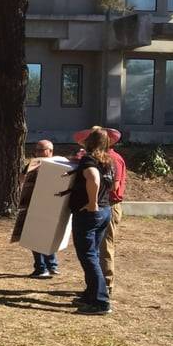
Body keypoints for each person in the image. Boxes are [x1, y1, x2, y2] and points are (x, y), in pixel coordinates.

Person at [64, 127, 114, 315]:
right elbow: (110, 183)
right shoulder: (108, 161)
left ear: (90, 141)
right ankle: (90, 294)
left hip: (90, 213)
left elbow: (93, 178)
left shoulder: (89, 160)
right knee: (92, 253)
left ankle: (100, 302)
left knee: (88, 256)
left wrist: (92, 203)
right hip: (105, 210)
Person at [76, 128, 126, 294]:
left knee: (104, 248)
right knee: (96, 250)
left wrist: (93, 202)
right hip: (104, 205)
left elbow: (113, 186)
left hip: (107, 205)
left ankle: (104, 287)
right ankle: (95, 288)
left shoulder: (113, 159)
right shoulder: (105, 159)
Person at [23, 139, 69, 278]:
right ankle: (41, 268)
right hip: (34, 206)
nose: (37, 153)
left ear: (50, 151)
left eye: (41, 150)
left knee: (48, 236)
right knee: (35, 237)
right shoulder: (33, 164)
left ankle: (51, 265)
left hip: (51, 207)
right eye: (36, 150)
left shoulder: (60, 165)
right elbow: (22, 179)